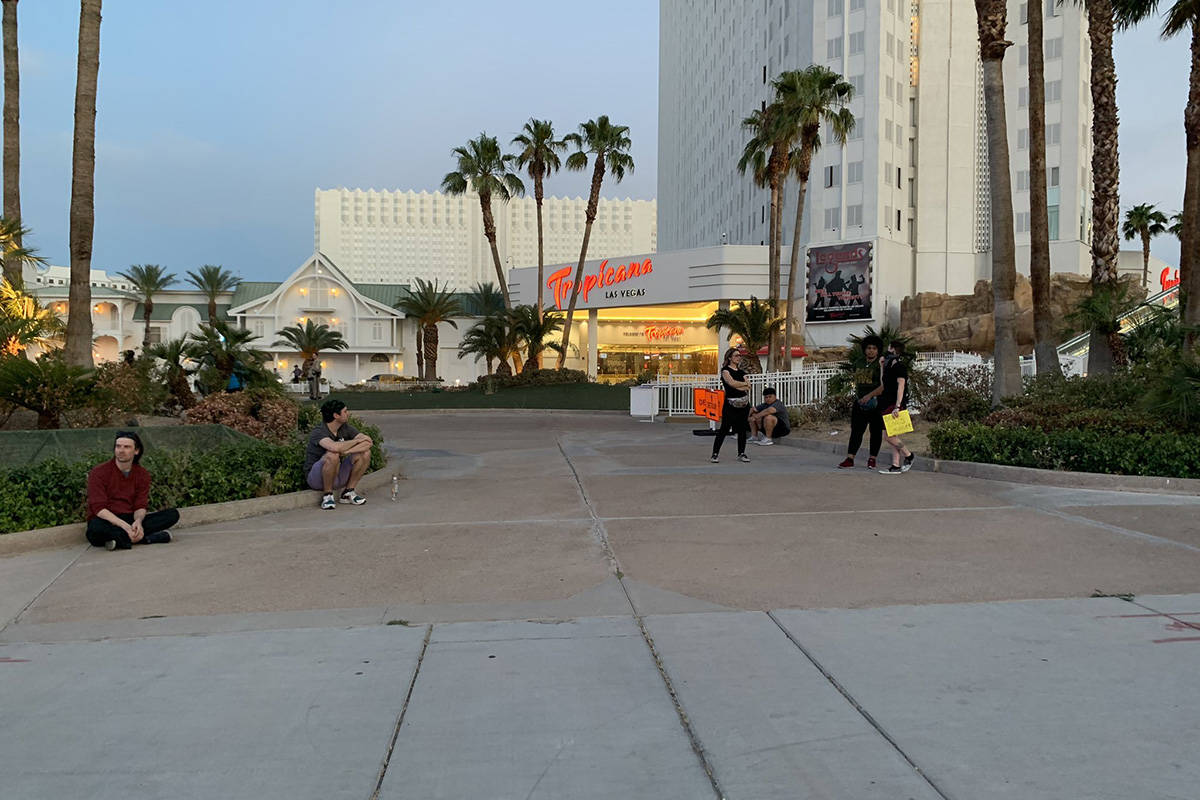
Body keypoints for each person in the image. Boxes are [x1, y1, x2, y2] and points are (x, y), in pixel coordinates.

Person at [85, 431, 179, 551]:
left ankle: (120, 540)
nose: (121, 450)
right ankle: (148, 538)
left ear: (136, 451)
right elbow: (98, 508)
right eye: (118, 446)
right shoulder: (98, 472)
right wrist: (125, 526)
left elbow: (140, 505)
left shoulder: (143, 474)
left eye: (126, 447)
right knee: (95, 530)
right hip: (107, 520)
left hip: (129, 518)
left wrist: (138, 522)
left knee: (172, 515)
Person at [306, 398, 374, 509]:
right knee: (333, 454)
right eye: (345, 411)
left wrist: (347, 451)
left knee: (365, 453)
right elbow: (334, 447)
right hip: (317, 479)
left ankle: (348, 492)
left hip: (336, 475)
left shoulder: (345, 428)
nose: (348, 413)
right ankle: (327, 496)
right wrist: (356, 441)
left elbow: (368, 442)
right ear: (336, 415)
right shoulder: (319, 431)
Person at [838, 335, 885, 469]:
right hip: (859, 402)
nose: (871, 351)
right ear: (864, 349)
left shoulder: (880, 364)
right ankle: (850, 458)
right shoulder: (858, 362)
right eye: (869, 348)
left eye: (874, 348)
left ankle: (872, 459)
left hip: (876, 403)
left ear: (878, 350)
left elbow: (883, 386)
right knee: (856, 431)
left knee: (875, 431)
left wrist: (870, 396)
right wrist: (860, 397)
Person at [879, 339, 915, 475]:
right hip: (886, 402)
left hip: (894, 404)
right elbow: (883, 383)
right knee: (893, 435)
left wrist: (897, 406)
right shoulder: (889, 365)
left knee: (888, 436)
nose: (887, 350)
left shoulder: (900, 366)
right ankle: (895, 465)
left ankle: (909, 455)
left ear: (893, 349)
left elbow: (901, 386)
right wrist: (881, 366)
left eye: (889, 347)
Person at [710, 347, 751, 463]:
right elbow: (731, 383)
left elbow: (749, 386)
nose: (738, 358)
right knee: (724, 429)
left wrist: (742, 385)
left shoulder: (742, 372)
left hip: (743, 404)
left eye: (739, 356)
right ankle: (715, 453)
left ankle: (741, 453)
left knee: (742, 429)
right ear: (730, 358)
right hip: (730, 404)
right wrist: (743, 384)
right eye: (736, 356)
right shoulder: (725, 371)